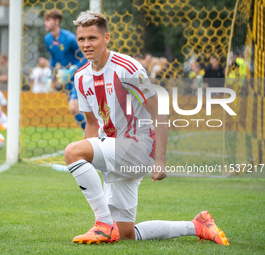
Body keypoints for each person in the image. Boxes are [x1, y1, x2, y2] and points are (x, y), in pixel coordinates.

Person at [64, 11, 229, 246]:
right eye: (82, 39)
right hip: (113, 150)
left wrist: (160, 160)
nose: (86, 44)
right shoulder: (81, 77)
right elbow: (91, 123)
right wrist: (90, 163)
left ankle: (103, 224)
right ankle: (197, 225)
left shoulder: (127, 68)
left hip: (137, 147)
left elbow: (158, 111)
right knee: (126, 234)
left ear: (106, 38)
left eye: (93, 38)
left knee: (72, 152)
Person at [43, 9, 87, 130]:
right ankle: (89, 134)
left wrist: (72, 70)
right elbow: (53, 57)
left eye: (48, 20)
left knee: (74, 107)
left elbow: (85, 57)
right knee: (75, 109)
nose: (44, 23)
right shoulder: (47, 39)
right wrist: (49, 75)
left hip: (78, 76)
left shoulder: (70, 38)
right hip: (65, 78)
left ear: (56, 21)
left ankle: (91, 135)